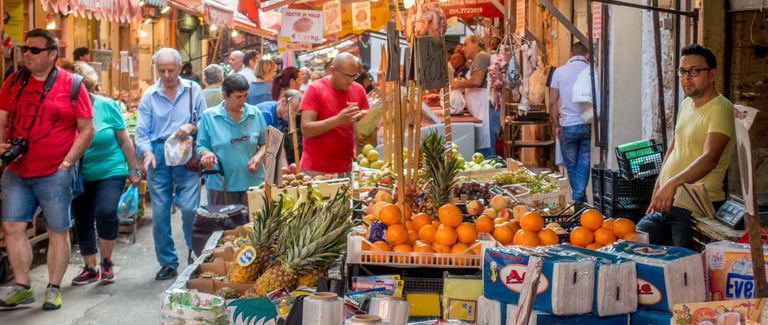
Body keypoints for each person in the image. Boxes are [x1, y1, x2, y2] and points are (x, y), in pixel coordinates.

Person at [0, 29, 95, 310]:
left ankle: (53, 287)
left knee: (57, 229)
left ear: (53, 54)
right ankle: (22, 285)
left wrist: (67, 163)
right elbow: (2, 118)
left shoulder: (73, 84)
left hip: (55, 171)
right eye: (25, 49)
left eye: (34, 50)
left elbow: (87, 129)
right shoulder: (13, 81)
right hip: (17, 170)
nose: (26, 54)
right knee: (12, 226)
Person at [636, 44, 735, 249]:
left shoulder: (721, 109)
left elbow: (710, 158)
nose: (687, 77)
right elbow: (675, 145)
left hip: (693, 206)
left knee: (684, 267)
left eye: (695, 71)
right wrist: (659, 184)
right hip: (666, 202)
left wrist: (672, 183)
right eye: (682, 71)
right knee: (636, 242)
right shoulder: (686, 104)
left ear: (712, 74)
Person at [135, 47, 206, 281]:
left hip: (186, 151)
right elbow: (142, 132)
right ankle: (167, 262)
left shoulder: (193, 90)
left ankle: (195, 254)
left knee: (189, 208)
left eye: (170, 69)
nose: (166, 75)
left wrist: (191, 127)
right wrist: (146, 153)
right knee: (160, 211)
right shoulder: (149, 95)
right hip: (158, 152)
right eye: (161, 70)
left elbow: (204, 121)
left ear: (179, 67)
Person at [70, 61, 142, 286]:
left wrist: (133, 169)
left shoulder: (106, 105)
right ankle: (90, 266)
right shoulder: (64, 108)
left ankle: (107, 262)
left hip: (111, 168)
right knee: (82, 217)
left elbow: (124, 139)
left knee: (106, 211)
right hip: (79, 172)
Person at [197, 74, 267, 206]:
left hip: (252, 182)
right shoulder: (210, 116)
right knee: (226, 224)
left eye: (245, 96)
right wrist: (207, 154)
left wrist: (258, 157)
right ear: (225, 95)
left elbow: (265, 143)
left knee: (253, 224)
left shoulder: (255, 114)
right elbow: (201, 145)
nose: (242, 101)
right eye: (238, 97)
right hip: (221, 184)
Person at [299, 53, 369, 177]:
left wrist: (365, 120)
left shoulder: (358, 90)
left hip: (347, 167)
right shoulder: (315, 89)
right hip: (316, 169)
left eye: (354, 76)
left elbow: (364, 127)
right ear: (332, 70)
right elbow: (306, 129)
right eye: (346, 76)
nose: (350, 80)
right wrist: (338, 120)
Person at [548, 42, 590, 206]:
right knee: (584, 163)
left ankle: (579, 198)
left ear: (570, 53)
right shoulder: (590, 71)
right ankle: (580, 198)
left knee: (571, 165)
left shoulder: (559, 72)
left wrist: (556, 124)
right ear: (587, 54)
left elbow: (552, 102)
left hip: (567, 124)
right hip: (587, 123)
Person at [450, 34, 493, 157]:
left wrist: (458, 84)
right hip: (479, 111)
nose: (463, 49)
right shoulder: (476, 60)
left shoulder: (481, 56)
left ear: (475, 44)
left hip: (485, 111)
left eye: (465, 44)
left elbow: (477, 81)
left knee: (487, 155)